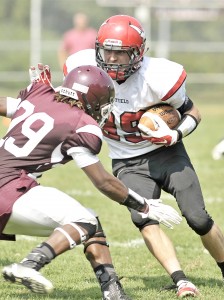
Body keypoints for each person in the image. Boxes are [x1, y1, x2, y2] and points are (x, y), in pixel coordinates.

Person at [63, 14, 224, 298]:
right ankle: (180, 280)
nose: (112, 59)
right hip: (126, 161)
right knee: (144, 219)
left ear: (138, 53)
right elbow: (65, 106)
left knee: (198, 218)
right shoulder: (83, 69)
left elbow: (193, 112)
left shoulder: (160, 77)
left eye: (121, 53)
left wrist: (175, 134)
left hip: (166, 152)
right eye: (107, 51)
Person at [0, 64, 182, 300]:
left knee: (91, 222)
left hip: (11, 189)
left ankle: (113, 293)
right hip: (10, 189)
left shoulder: (39, 95)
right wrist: (145, 206)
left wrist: (34, 92)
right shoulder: (82, 124)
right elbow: (103, 182)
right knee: (82, 221)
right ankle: (29, 265)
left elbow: (7, 105)